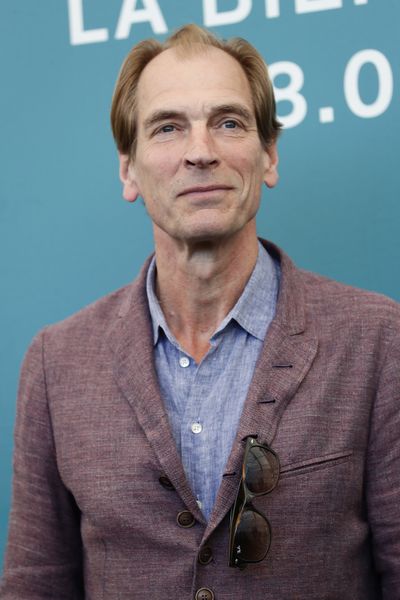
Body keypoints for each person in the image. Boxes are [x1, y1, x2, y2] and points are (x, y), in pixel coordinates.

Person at [1, 23, 399, 600]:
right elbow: (36, 584)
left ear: (268, 156)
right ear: (128, 170)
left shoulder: (378, 341)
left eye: (229, 123)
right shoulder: (55, 363)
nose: (200, 151)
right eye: (167, 128)